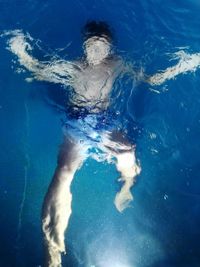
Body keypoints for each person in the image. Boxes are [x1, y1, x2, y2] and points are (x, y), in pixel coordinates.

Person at [6, 21, 200, 267]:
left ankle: (126, 185)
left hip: (105, 122)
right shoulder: (73, 66)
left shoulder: (118, 64)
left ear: (110, 48)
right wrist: (20, 50)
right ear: (84, 47)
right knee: (64, 171)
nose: (97, 50)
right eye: (92, 45)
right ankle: (52, 246)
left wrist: (184, 65)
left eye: (102, 45)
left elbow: (151, 80)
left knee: (128, 152)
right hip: (78, 121)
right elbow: (38, 70)